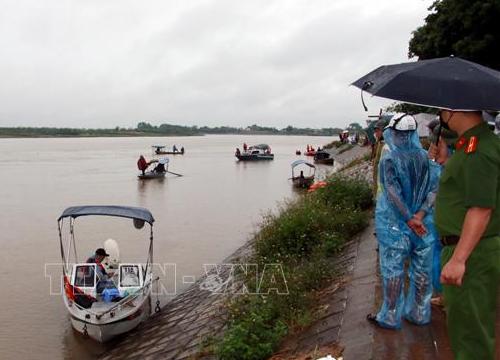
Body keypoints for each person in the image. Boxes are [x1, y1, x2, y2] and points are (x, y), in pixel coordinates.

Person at [429, 110, 500, 360]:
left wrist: (459, 259)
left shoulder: (478, 149)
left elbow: (481, 209)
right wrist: (447, 161)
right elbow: (469, 183)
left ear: (450, 111)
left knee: (470, 336)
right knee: (467, 329)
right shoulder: (472, 145)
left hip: (470, 254)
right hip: (471, 250)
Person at [367, 113, 435, 329]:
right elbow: (434, 190)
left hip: (394, 224)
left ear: (393, 132)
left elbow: (392, 193)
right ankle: (420, 312)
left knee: (393, 268)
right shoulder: (424, 157)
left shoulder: (389, 158)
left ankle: (390, 315)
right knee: (422, 268)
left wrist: (408, 218)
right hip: (423, 223)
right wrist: (420, 215)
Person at [371, 119, 386, 195]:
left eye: (378, 131)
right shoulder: (379, 143)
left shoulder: (387, 145)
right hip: (377, 178)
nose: (376, 134)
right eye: (375, 131)